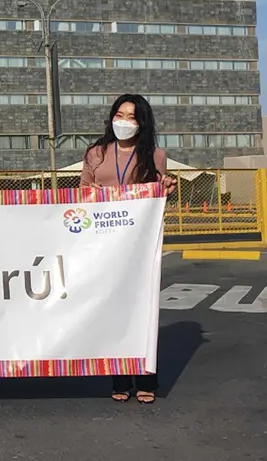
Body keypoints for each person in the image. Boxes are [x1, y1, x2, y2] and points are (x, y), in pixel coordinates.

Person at [79, 93, 175, 405]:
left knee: (143, 309)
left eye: (131, 117)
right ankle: (119, 377)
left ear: (142, 122)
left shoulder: (154, 155)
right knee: (113, 308)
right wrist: (90, 193)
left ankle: (146, 378)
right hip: (104, 241)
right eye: (119, 114)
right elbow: (82, 189)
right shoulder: (96, 152)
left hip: (139, 243)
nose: (123, 121)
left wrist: (169, 188)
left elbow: (160, 194)